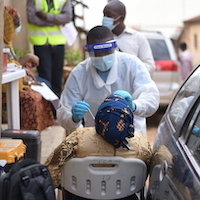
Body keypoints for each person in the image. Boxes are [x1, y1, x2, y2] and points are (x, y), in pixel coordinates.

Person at [57, 25, 160, 136]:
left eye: (106, 52)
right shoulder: (79, 73)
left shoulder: (132, 64)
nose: (102, 57)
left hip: (132, 137)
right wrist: (73, 118)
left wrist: (134, 106)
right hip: (94, 140)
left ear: (114, 47)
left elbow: (152, 98)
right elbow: (64, 112)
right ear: (88, 52)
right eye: (97, 53)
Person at [45, 94, 152, 199]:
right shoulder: (141, 143)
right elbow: (144, 175)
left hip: (82, 196)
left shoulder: (78, 138)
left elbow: (51, 171)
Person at [3, 6, 55, 132]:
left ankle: (35, 135)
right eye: (15, 24)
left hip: (17, 80)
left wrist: (27, 77)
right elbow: (7, 67)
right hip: (6, 86)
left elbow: (13, 64)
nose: (17, 27)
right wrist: (27, 58)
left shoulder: (7, 42)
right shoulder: (2, 43)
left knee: (45, 85)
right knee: (31, 98)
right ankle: (26, 134)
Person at [26, 0, 73, 99]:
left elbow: (67, 17)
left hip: (58, 42)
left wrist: (45, 17)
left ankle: (57, 111)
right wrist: (56, 21)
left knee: (57, 80)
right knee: (45, 79)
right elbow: (32, 18)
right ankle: (47, 110)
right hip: (40, 42)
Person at [102, 0, 155, 74]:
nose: (105, 18)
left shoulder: (137, 38)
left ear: (121, 19)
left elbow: (149, 65)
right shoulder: (101, 38)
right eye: (104, 15)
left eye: (109, 16)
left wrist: (131, 70)